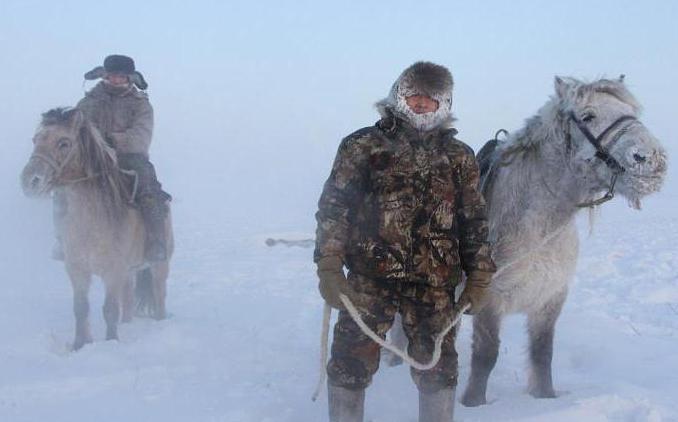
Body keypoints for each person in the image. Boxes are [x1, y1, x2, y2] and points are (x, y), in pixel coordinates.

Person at [314, 62, 496, 422]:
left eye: (431, 99)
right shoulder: (362, 146)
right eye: (415, 96)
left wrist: (478, 276)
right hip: (370, 276)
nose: (422, 105)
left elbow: (473, 219)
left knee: (438, 365)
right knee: (351, 360)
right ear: (399, 96)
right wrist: (329, 265)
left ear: (444, 104)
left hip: (435, 283)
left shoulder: (460, 156)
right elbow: (335, 210)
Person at [54, 54, 169, 261]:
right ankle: (62, 241)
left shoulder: (141, 105)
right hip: (92, 159)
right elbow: (74, 131)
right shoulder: (88, 102)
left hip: (129, 158)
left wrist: (110, 141)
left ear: (130, 78)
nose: (116, 80)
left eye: (121, 76)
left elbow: (141, 136)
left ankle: (155, 242)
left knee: (148, 190)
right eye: (112, 75)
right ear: (105, 75)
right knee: (62, 188)